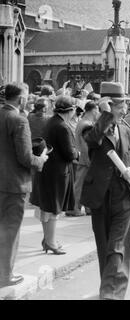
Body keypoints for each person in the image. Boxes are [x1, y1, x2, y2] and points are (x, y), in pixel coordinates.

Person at [80, 82, 130, 300]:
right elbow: (93, 141)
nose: (124, 110)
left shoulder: (128, 128)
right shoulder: (89, 126)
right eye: (119, 105)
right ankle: (109, 289)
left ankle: (111, 295)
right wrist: (104, 116)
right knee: (105, 246)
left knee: (117, 246)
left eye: (124, 105)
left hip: (124, 195)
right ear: (107, 105)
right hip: (100, 196)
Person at [0, 83, 48, 288]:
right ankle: (4, 275)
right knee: (10, 230)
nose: (28, 101)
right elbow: (26, 158)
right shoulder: (19, 120)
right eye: (26, 97)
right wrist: (41, 159)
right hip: (14, 184)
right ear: (20, 99)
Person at [30, 95, 80, 255]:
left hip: (49, 170)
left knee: (48, 207)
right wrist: (77, 153)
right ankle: (50, 242)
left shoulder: (52, 121)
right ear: (70, 110)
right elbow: (69, 153)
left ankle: (48, 240)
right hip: (57, 172)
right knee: (53, 209)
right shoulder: (62, 126)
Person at [71, 101, 101, 216]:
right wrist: (90, 160)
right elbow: (85, 145)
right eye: (97, 110)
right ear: (93, 110)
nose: (98, 112)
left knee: (86, 185)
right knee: (80, 185)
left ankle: (86, 207)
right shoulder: (86, 124)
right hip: (86, 159)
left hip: (84, 159)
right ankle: (74, 208)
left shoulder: (83, 122)